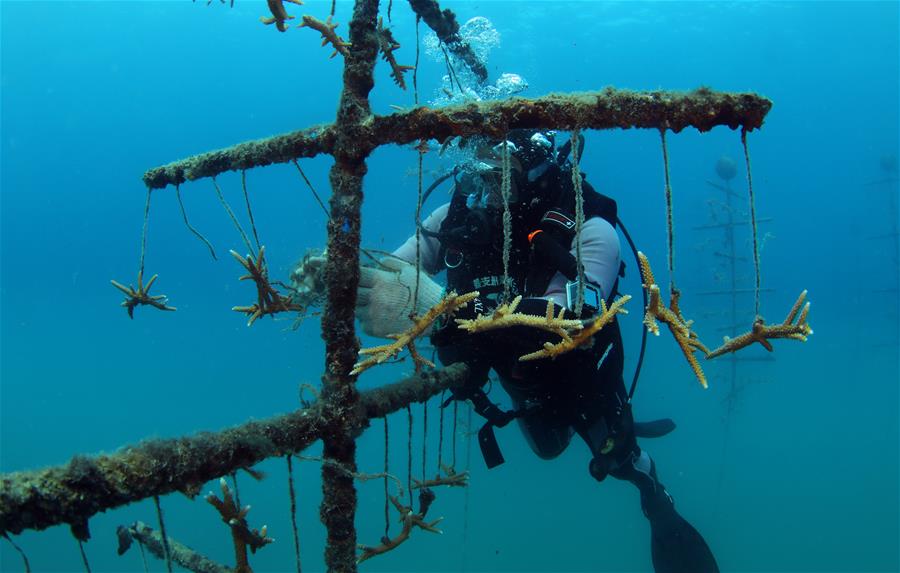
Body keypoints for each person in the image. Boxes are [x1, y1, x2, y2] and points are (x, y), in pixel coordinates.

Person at [351, 129, 719, 573]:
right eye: (479, 176)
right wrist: (337, 281)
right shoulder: (453, 219)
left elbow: (568, 322)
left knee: (617, 458)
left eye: (500, 175)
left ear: (538, 168)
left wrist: (438, 308)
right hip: (514, 379)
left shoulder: (591, 227)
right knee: (547, 450)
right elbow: (391, 273)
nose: (487, 191)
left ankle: (657, 502)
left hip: (579, 381)